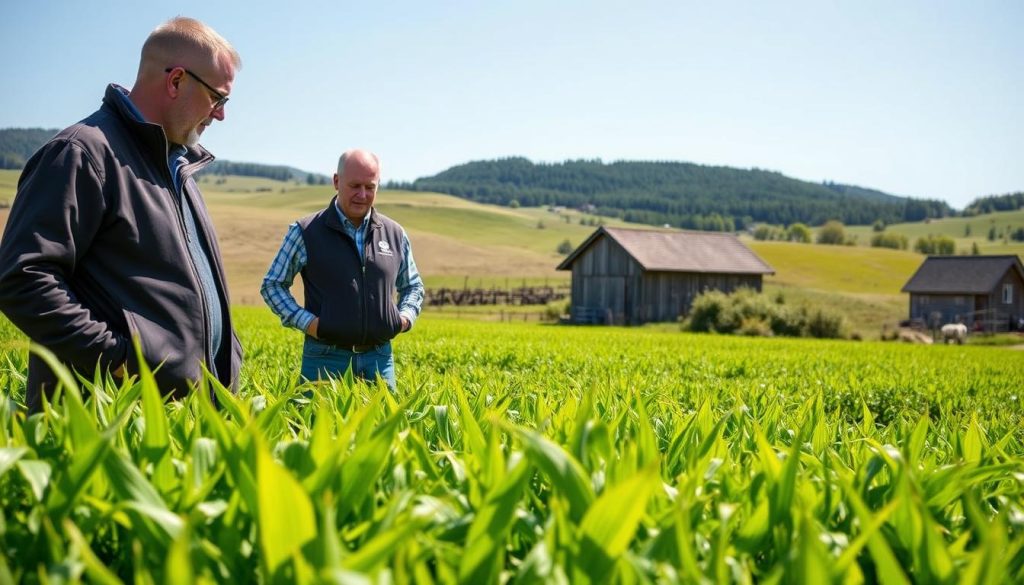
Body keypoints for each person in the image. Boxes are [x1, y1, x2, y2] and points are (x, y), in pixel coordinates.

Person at [0, 17, 243, 412]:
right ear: (176, 80)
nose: (220, 115)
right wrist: (119, 363)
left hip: (181, 423)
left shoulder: (177, 170)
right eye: (218, 98)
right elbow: (23, 278)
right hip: (106, 421)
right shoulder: (82, 154)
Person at [261, 149, 424, 390]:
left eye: (370, 187)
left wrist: (403, 319)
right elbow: (273, 284)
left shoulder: (395, 234)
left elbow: (413, 285)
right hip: (325, 357)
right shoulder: (306, 231)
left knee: (382, 426)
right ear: (336, 181)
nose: (362, 194)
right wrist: (308, 323)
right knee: (318, 426)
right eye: (355, 185)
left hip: (379, 359)